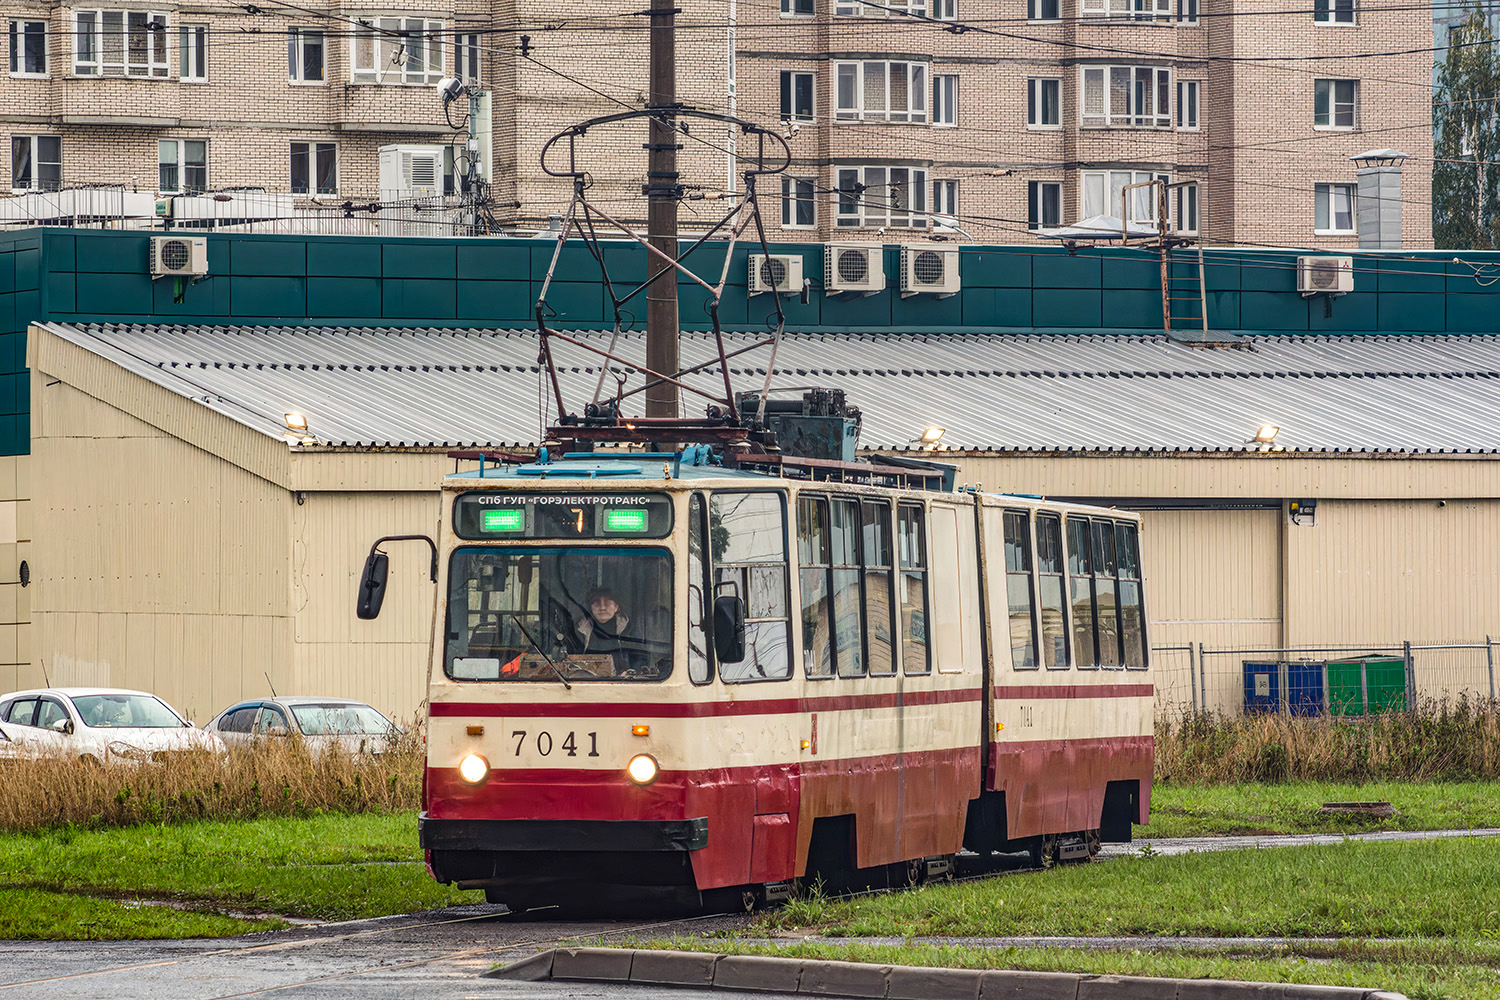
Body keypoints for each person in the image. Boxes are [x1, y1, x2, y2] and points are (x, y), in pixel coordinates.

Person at [575, 588, 645, 674]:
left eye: (607, 603)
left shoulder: (630, 629)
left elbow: (639, 660)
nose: (603, 608)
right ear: (590, 608)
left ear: (616, 607)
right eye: (597, 604)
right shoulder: (579, 630)